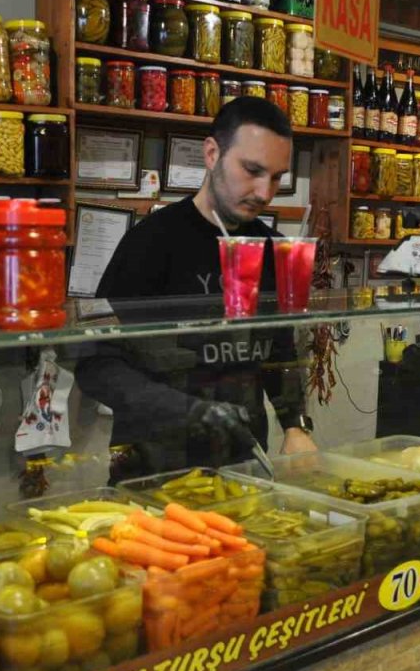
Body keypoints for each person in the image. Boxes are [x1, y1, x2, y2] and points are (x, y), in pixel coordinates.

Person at [75, 97, 316, 480]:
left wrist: (295, 425)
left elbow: (278, 348)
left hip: (244, 462)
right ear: (211, 154)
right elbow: (94, 363)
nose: (264, 191)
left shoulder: (271, 248)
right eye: (252, 170)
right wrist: (185, 409)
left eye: (276, 177)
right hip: (152, 467)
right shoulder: (151, 241)